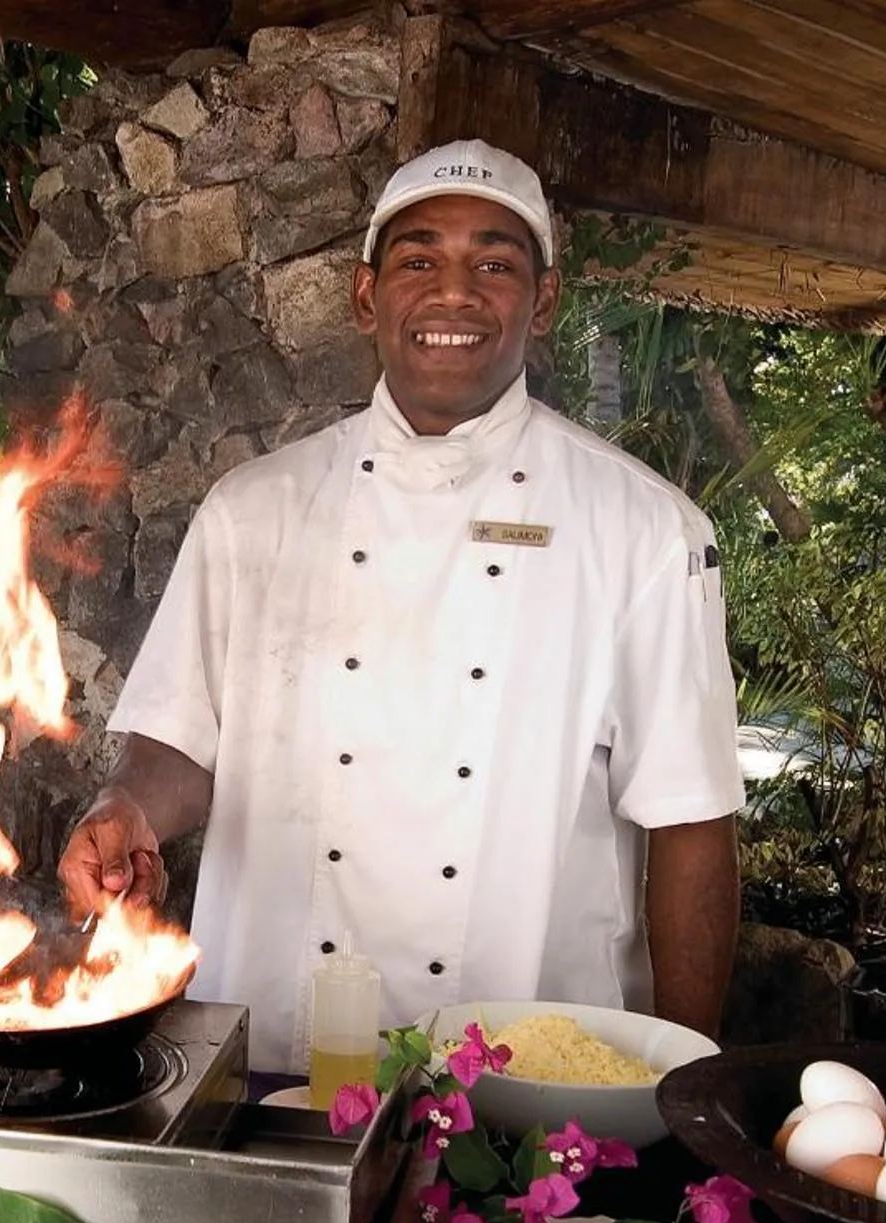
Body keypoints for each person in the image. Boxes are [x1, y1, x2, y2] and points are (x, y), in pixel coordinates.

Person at [57, 137, 743, 1075]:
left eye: (494, 264)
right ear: (365, 294)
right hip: (271, 1055)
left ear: (543, 300)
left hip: (532, 1079)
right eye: (419, 259)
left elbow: (693, 824)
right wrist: (126, 805)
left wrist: (690, 1088)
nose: (454, 293)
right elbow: (179, 734)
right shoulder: (254, 510)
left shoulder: (646, 531)